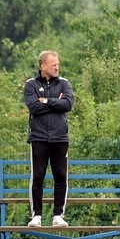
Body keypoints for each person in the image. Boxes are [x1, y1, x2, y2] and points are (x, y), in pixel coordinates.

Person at [23, 50, 75, 227]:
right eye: (53, 64)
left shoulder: (64, 83)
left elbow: (67, 104)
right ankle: (36, 216)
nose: (57, 67)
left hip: (60, 138)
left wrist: (46, 101)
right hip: (38, 138)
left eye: (58, 64)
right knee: (37, 177)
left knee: (61, 177)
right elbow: (33, 108)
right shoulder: (30, 84)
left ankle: (58, 216)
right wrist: (55, 102)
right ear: (43, 66)